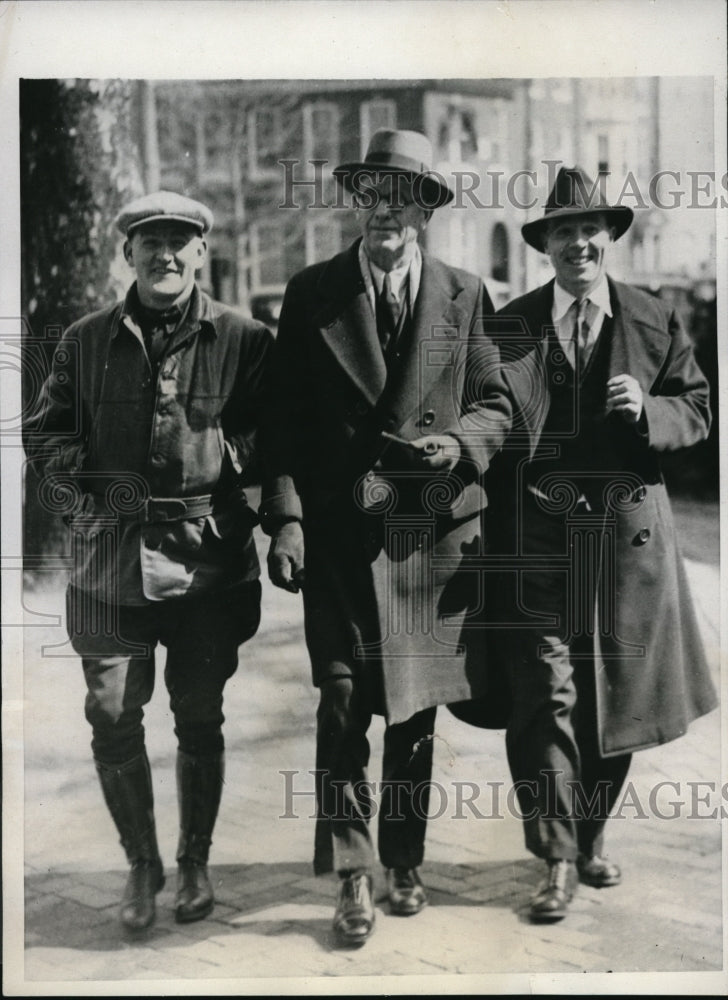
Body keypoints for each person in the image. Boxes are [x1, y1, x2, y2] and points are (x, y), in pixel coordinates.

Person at [261, 129, 511, 945]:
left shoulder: (466, 294)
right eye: (372, 196)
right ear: (358, 206)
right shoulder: (311, 294)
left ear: (426, 212)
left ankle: (402, 860)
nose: (385, 212)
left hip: (425, 537)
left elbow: (498, 405)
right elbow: (282, 427)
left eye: (401, 199)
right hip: (337, 540)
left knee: (411, 714)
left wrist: (460, 444)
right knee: (340, 707)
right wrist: (288, 519)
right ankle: (351, 874)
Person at [24, 191, 273, 932]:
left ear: (202, 251)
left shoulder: (244, 337)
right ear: (126, 253)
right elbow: (47, 432)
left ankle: (194, 860)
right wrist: (84, 497)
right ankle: (142, 862)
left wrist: (234, 466)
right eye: (149, 241)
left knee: (198, 715)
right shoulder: (85, 339)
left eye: (180, 241)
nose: (165, 254)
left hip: (207, 565)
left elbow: (276, 434)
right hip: (108, 566)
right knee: (111, 714)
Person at [486, 166, 717, 922]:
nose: (577, 242)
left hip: (625, 536)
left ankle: (589, 837)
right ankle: (554, 857)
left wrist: (649, 409)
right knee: (545, 694)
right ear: (544, 245)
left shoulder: (654, 317)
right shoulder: (510, 323)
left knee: (614, 696)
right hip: (536, 534)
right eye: (562, 231)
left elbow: (700, 410)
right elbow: (484, 420)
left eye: (590, 229)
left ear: (609, 238)